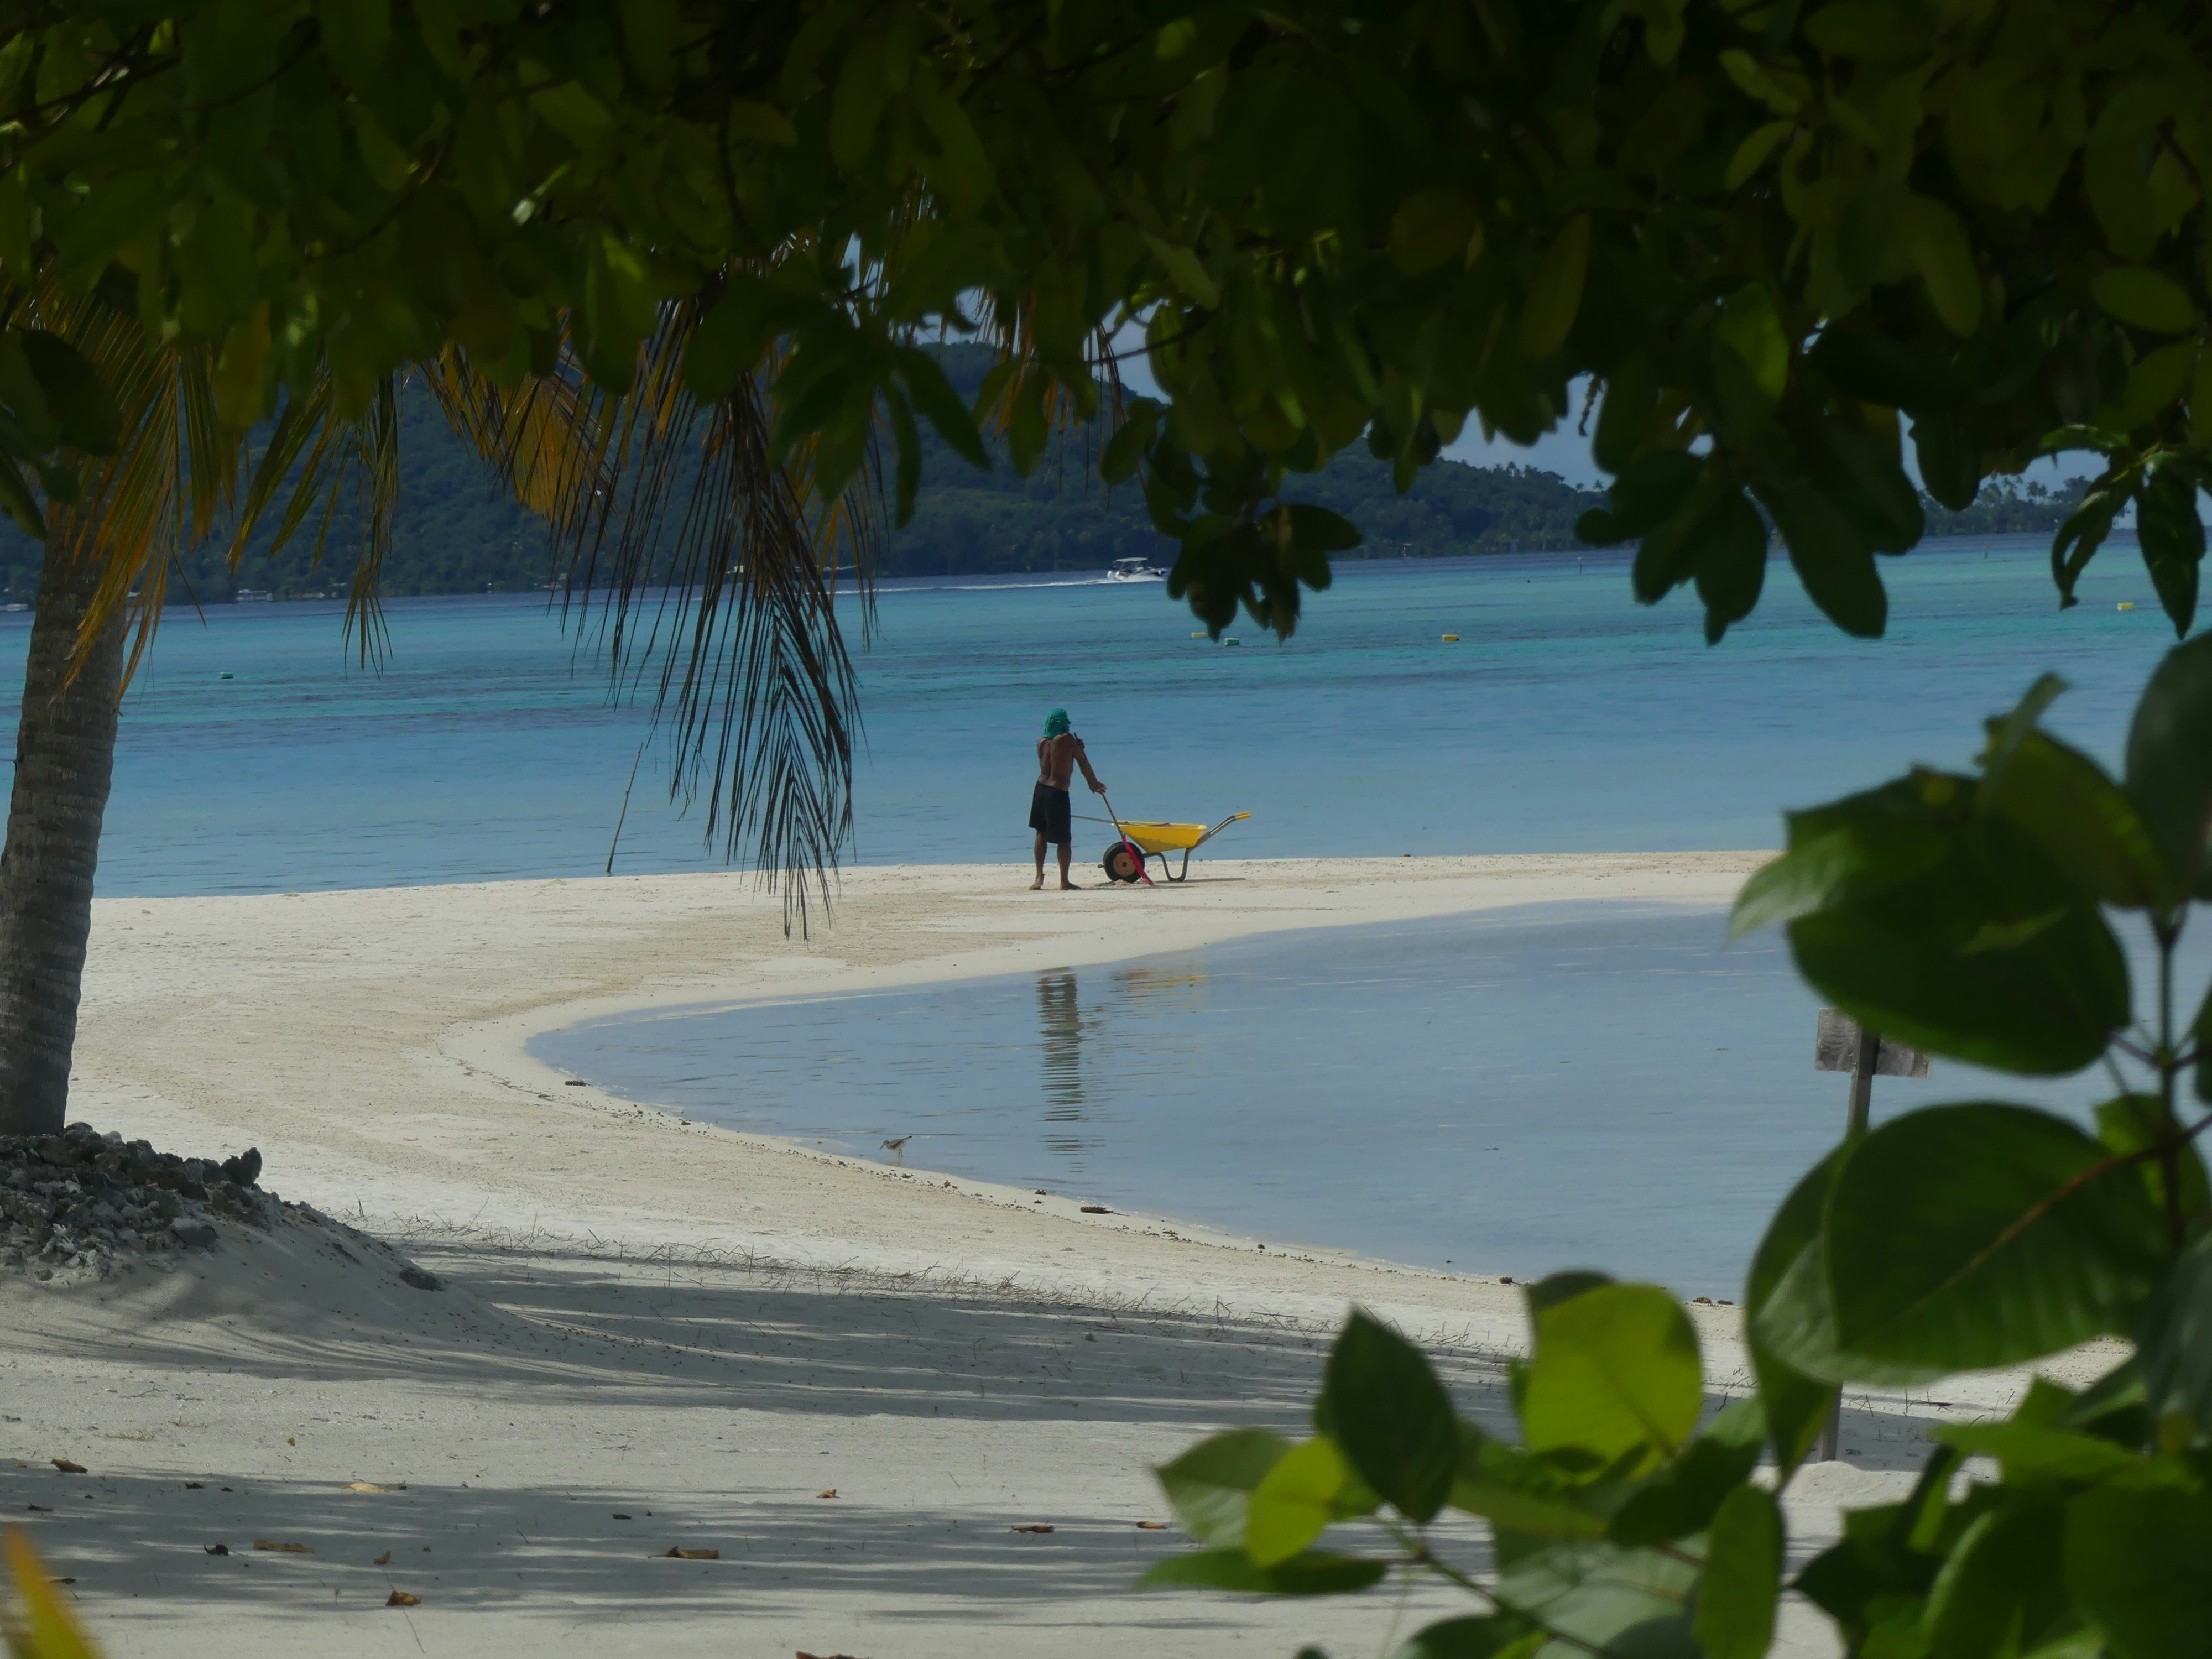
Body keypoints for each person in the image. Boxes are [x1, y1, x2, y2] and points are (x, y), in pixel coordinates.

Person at [1030, 708, 1105, 890]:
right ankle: (1064, 881)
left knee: (1041, 833)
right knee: (1064, 839)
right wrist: (1093, 782)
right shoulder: (1067, 739)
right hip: (1057, 792)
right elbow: (1081, 762)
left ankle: (1039, 877)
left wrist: (1077, 748)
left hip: (1040, 789)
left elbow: (1057, 760)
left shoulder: (1041, 742)